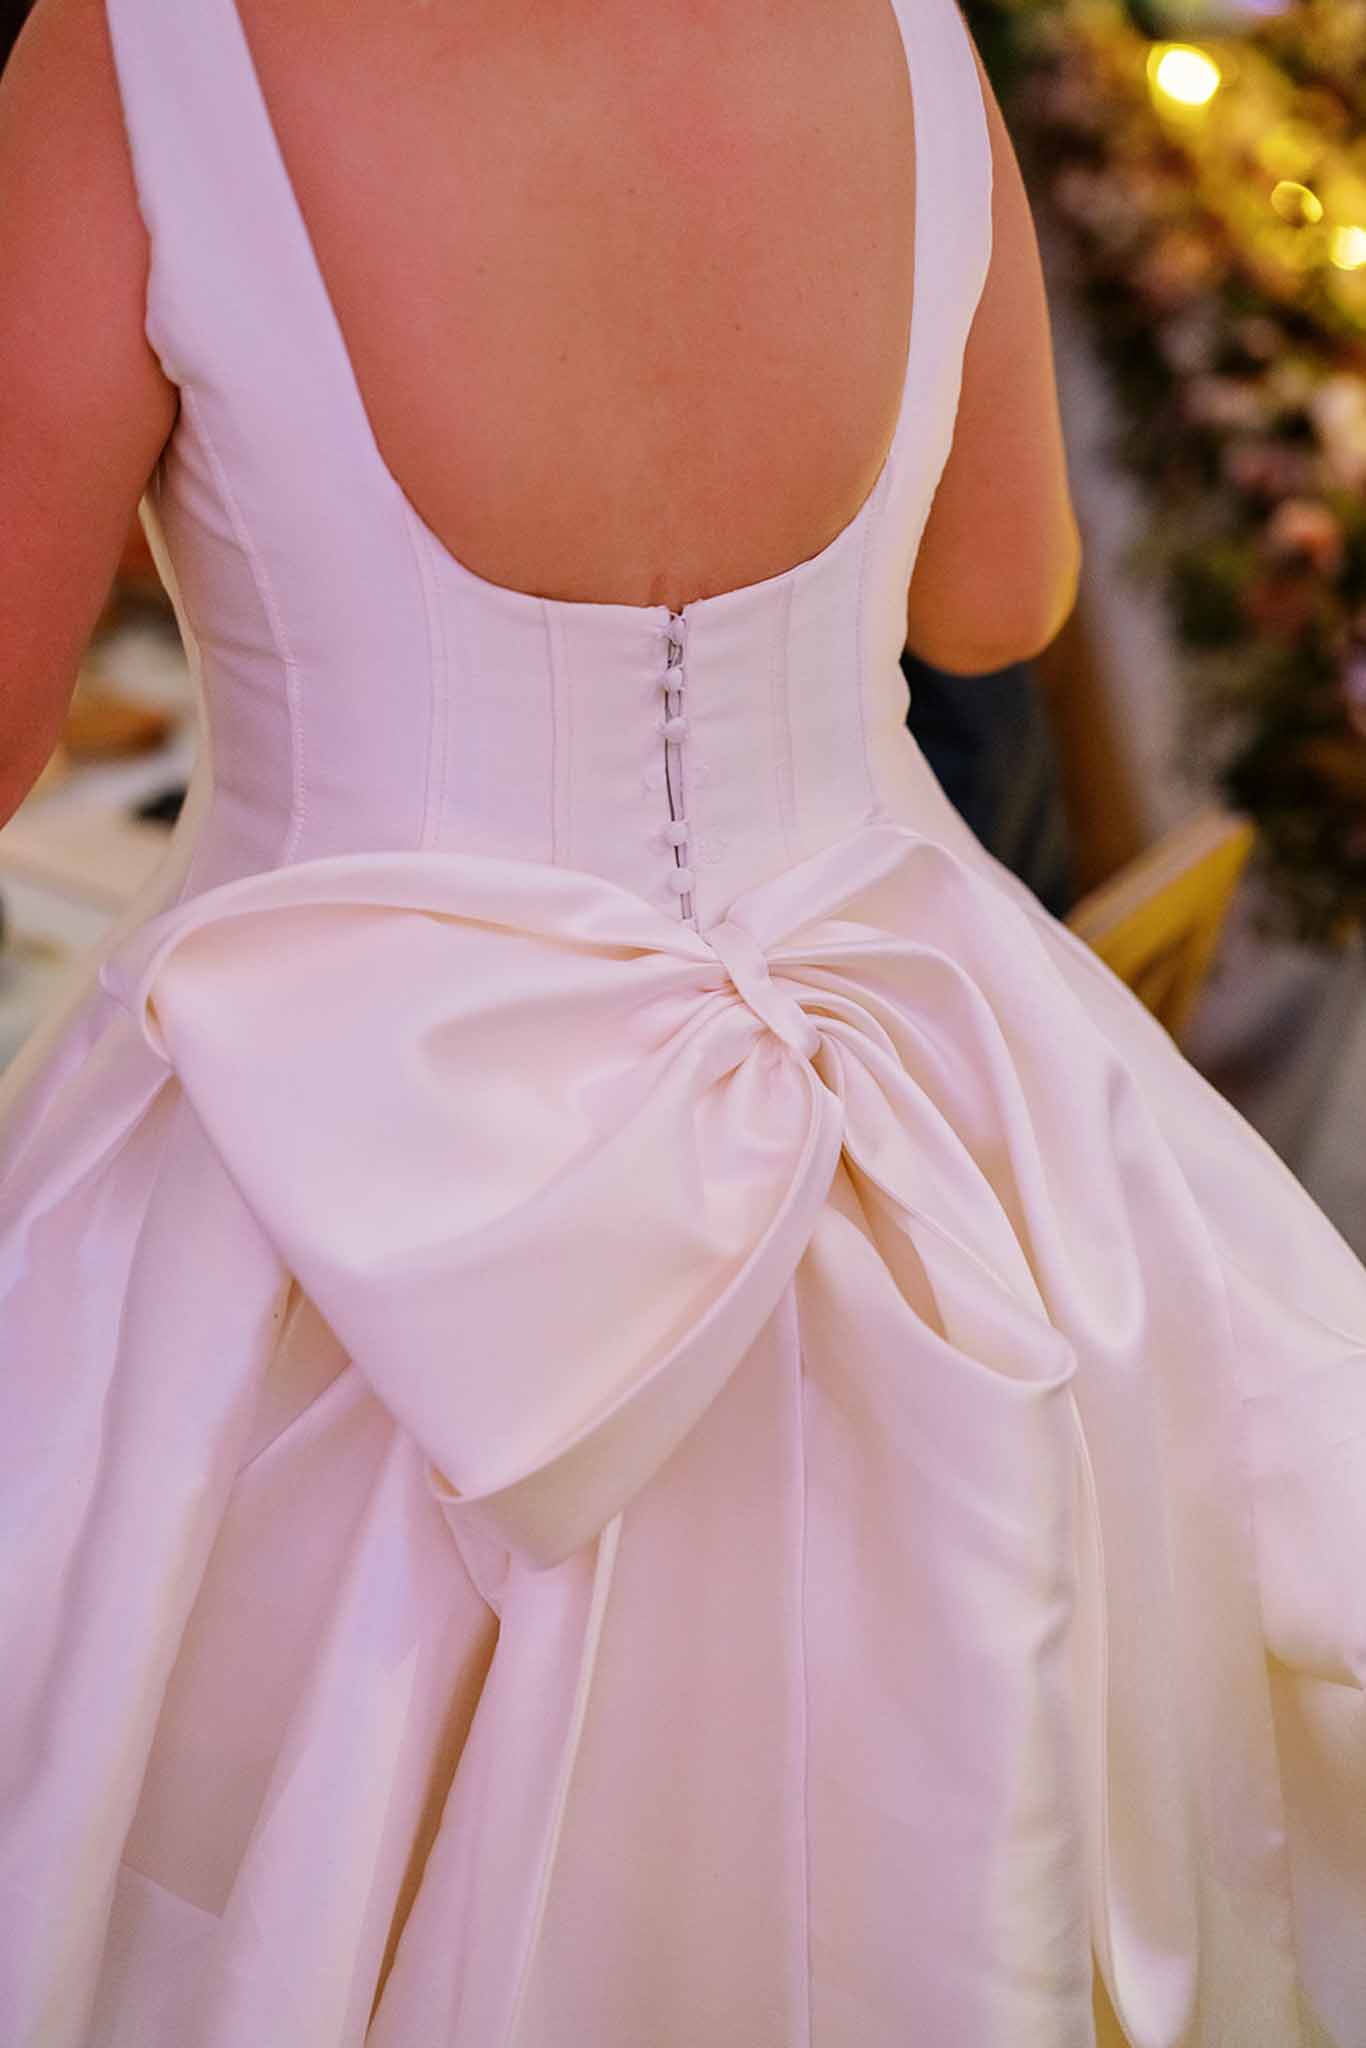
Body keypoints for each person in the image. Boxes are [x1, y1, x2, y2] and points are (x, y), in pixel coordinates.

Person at [0, 1, 1363, 2042]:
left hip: (334, 1179)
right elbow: (994, 593)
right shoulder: (899, 25)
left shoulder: (143, 44)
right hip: (921, 1111)